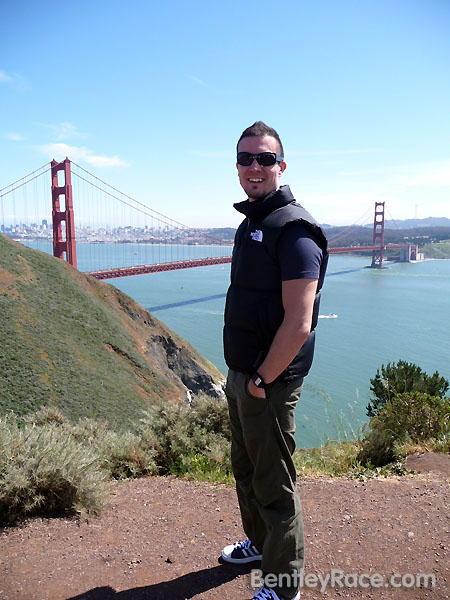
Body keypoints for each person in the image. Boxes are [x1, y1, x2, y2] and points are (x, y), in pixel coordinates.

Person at [222, 121, 328, 600]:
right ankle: (261, 546)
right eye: (246, 158)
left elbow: (299, 323)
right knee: (246, 469)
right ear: (237, 166)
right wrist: (244, 377)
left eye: (265, 158)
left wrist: (262, 380)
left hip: (270, 380)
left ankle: (284, 586)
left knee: (274, 483)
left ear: (281, 166)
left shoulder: (295, 230)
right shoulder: (252, 223)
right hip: (244, 374)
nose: (254, 166)